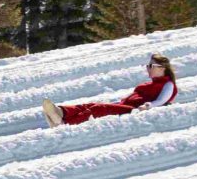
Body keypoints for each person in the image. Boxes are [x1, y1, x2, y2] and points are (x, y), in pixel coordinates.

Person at [44, 55, 178, 128]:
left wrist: (147, 106)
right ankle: (61, 112)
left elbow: (161, 101)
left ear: (162, 68)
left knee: (98, 108)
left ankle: (66, 124)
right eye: (148, 65)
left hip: (135, 110)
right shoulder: (149, 84)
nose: (148, 68)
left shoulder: (168, 84)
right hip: (126, 106)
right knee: (91, 105)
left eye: (151, 66)